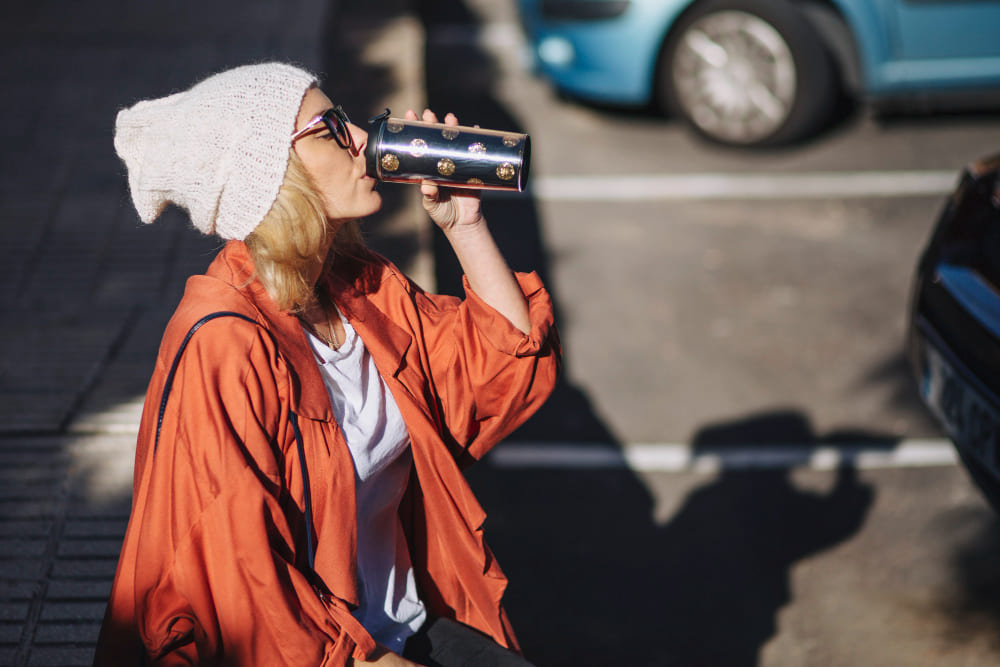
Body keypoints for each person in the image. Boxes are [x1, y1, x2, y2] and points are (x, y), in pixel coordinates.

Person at [94, 62, 560, 666]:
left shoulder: (356, 285)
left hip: (398, 623)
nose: (361, 137)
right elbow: (249, 586)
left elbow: (501, 368)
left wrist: (463, 227)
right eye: (330, 128)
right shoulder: (224, 344)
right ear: (270, 174)